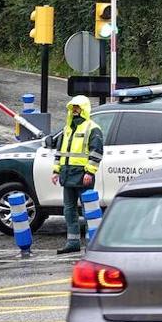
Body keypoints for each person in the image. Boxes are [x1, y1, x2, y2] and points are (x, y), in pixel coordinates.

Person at [53, 95, 104, 254]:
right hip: (67, 175)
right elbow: (60, 152)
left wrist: (89, 171)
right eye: (73, 108)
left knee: (88, 210)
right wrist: (56, 170)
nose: (74, 111)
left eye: (77, 107)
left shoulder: (92, 128)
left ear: (84, 109)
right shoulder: (67, 129)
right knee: (69, 210)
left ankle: (92, 242)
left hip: (83, 175)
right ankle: (73, 242)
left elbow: (97, 152)